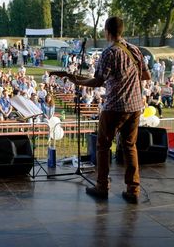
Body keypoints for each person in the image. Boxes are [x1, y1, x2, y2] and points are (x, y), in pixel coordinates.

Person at [61, 16, 149, 203]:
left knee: (103, 145)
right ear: (122, 30)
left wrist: (77, 80)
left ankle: (102, 186)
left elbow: (98, 80)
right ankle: (133, 190)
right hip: (135, 107)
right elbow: (145, 75)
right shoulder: (135, 50)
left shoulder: (110, 53)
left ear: (107, 31)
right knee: (129, 146)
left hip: (115, 107)